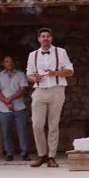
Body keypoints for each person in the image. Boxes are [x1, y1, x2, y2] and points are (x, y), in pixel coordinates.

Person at [26, 28, 74, 168]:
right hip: (39, 91)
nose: (45, 39)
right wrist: (35, 78)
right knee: (37, 124)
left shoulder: (61, 52)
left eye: (48, 36)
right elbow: (29, 75)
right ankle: (42, 154)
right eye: (43, 36)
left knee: (53, 124)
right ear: (39, 39)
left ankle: (51, 157)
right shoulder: (32, 55)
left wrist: (55, 73)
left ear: (51, 38)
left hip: (56, 90)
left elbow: (70, 72)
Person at [0, 55, 32, 162]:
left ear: (14, 63)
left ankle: (24, 153)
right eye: (7, 61)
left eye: (11, 61)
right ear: (3, 64)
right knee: (6, 131)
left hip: (19, 107)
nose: (9, 63)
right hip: (4, 109)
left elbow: (23, 89)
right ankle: (9, 153)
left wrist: (10, 99)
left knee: (22, 131)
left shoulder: (21, 74)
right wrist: (6, 102)